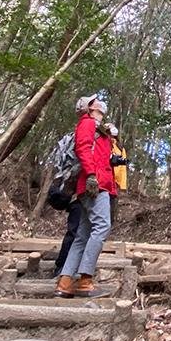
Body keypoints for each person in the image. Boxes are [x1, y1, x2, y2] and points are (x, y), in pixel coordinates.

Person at [57, 94, 117, 298]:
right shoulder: (87, 123)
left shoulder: (98, 128)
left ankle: (65, 282)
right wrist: (91, 174)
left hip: (96, 182)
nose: (100, 103)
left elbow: (99, 154)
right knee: (102, 226)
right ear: (89, 108)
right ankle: (85, 280)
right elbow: (82, 148)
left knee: (82, 235)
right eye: (95, 101)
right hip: (94, 185)